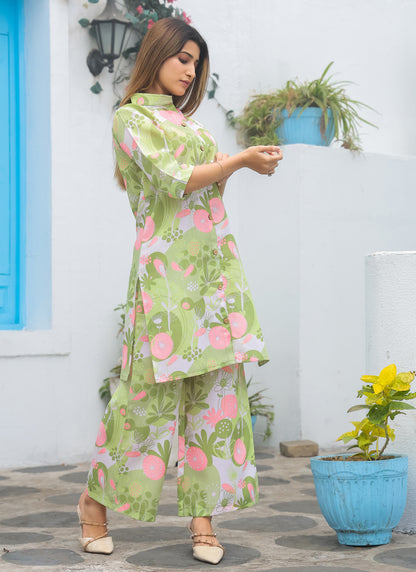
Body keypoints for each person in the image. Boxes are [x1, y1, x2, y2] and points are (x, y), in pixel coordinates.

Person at [77, 16, 283, 565]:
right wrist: (239, 160)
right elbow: (174, 180)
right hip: (164, 283)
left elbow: (208, 190)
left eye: (197, 64)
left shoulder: (192, 125)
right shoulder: (129, 118)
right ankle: (94, 503)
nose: (191, 72)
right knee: (144, 404)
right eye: (183, 59)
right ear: (158, 54)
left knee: (215, 405)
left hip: (214, 277)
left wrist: (235, 166)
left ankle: (203, 520)